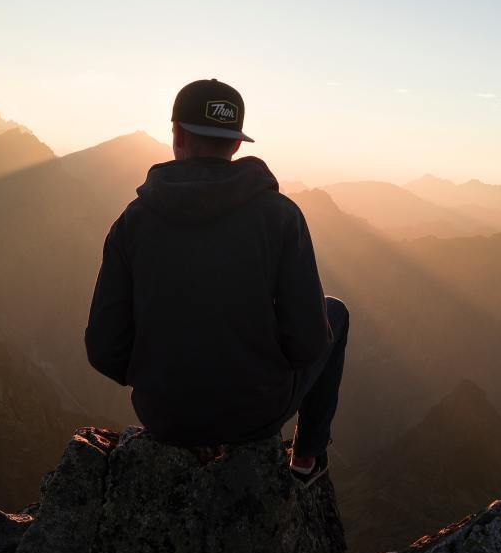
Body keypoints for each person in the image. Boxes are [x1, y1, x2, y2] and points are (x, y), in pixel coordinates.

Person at [85, 78, 348, 486]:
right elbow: (310, 341)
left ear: (177, 135)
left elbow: (104, 348)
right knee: (336, 312)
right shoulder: (280, 217)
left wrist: (163, 379)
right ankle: (306, 460)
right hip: (255, 414)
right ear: (237, 144)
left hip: (164, 415)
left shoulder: (132, 222)